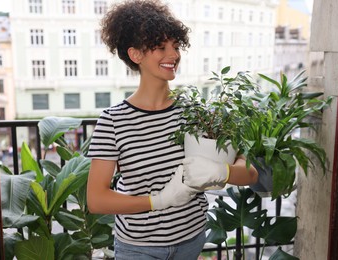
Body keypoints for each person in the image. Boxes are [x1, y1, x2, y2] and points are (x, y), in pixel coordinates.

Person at [86, 1, 258, 259]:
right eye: (161, 47)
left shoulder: (196, 114)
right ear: (136, 55)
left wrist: (223, 171)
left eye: (176, 47)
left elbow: (250, 174)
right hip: (138, 248)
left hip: (191, 240)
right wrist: (158, 201)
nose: (174, 55)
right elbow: (97, 200)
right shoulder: (113, 121)